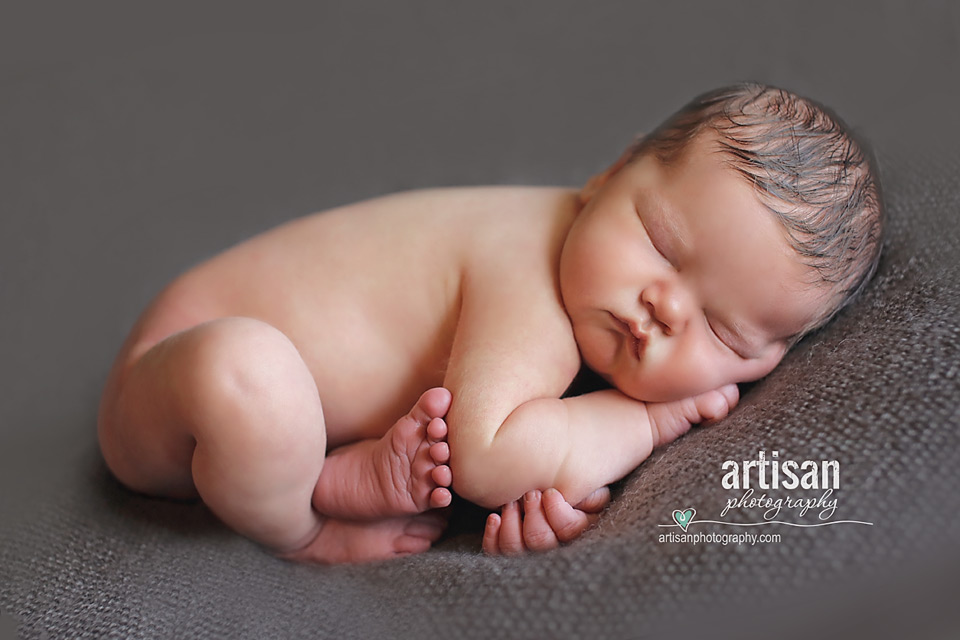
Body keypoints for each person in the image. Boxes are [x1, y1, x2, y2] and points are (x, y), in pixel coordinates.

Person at [96, 83, 884, 563]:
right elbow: (488, 456)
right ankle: (303, 531)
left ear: (762, 364)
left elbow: (518, 462)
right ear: (609, 172)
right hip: (175, 393)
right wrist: (643, 423)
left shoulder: (589, 288)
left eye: (724, 333)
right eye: (660, 245)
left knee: (266, 384)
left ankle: (342, 474)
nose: (663, 309)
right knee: (251, 375)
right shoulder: (529, 271)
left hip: (248, 407)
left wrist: (544, 490)